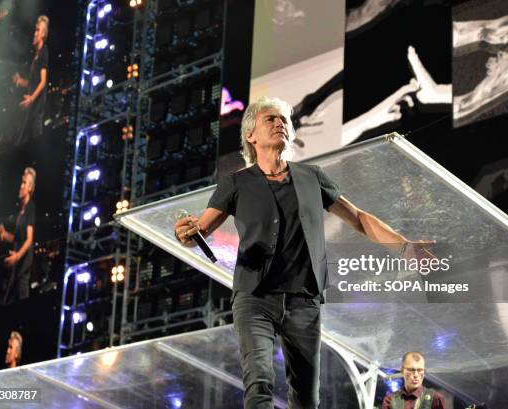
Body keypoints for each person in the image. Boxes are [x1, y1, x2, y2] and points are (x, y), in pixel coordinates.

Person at [174, 97, 434, 408]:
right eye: (271, 118)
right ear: (251, 135)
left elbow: (359, 218)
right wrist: (186, 233)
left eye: (284, 119)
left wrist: (404, 246)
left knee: (307, 399)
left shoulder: (312, 177)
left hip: (304, 301)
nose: (280, 122)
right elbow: (198, 231)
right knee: (259, 382)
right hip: (256, 299)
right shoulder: (235, 183)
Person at [0, 167, 36, 304]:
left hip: (23, 265)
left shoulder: (30, 207)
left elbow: (29, 239)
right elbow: (18, 239)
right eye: (22, 182)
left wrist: (17, 256)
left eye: (24, 183)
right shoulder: (21, 211)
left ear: (30, 188)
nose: (21, 186)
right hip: (17, 266)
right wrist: (5, 234)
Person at [12, 15, 49, 146]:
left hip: (36, 105)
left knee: (33, 138)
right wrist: (21, 81)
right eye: (35, 30)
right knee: (22, 139)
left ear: (43, 33)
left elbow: (43, 82)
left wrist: (31, 99)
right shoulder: (36, 56)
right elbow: (33, 82)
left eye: (37, 30)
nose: (35, 33)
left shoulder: (44, 52)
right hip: (32, 105)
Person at [382, 351, 446, 409]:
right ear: (402, 371)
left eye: (420, 370)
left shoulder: (435, 399)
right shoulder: (390, 400)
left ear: (424, 372)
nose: (416, 375)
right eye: (411, 370)